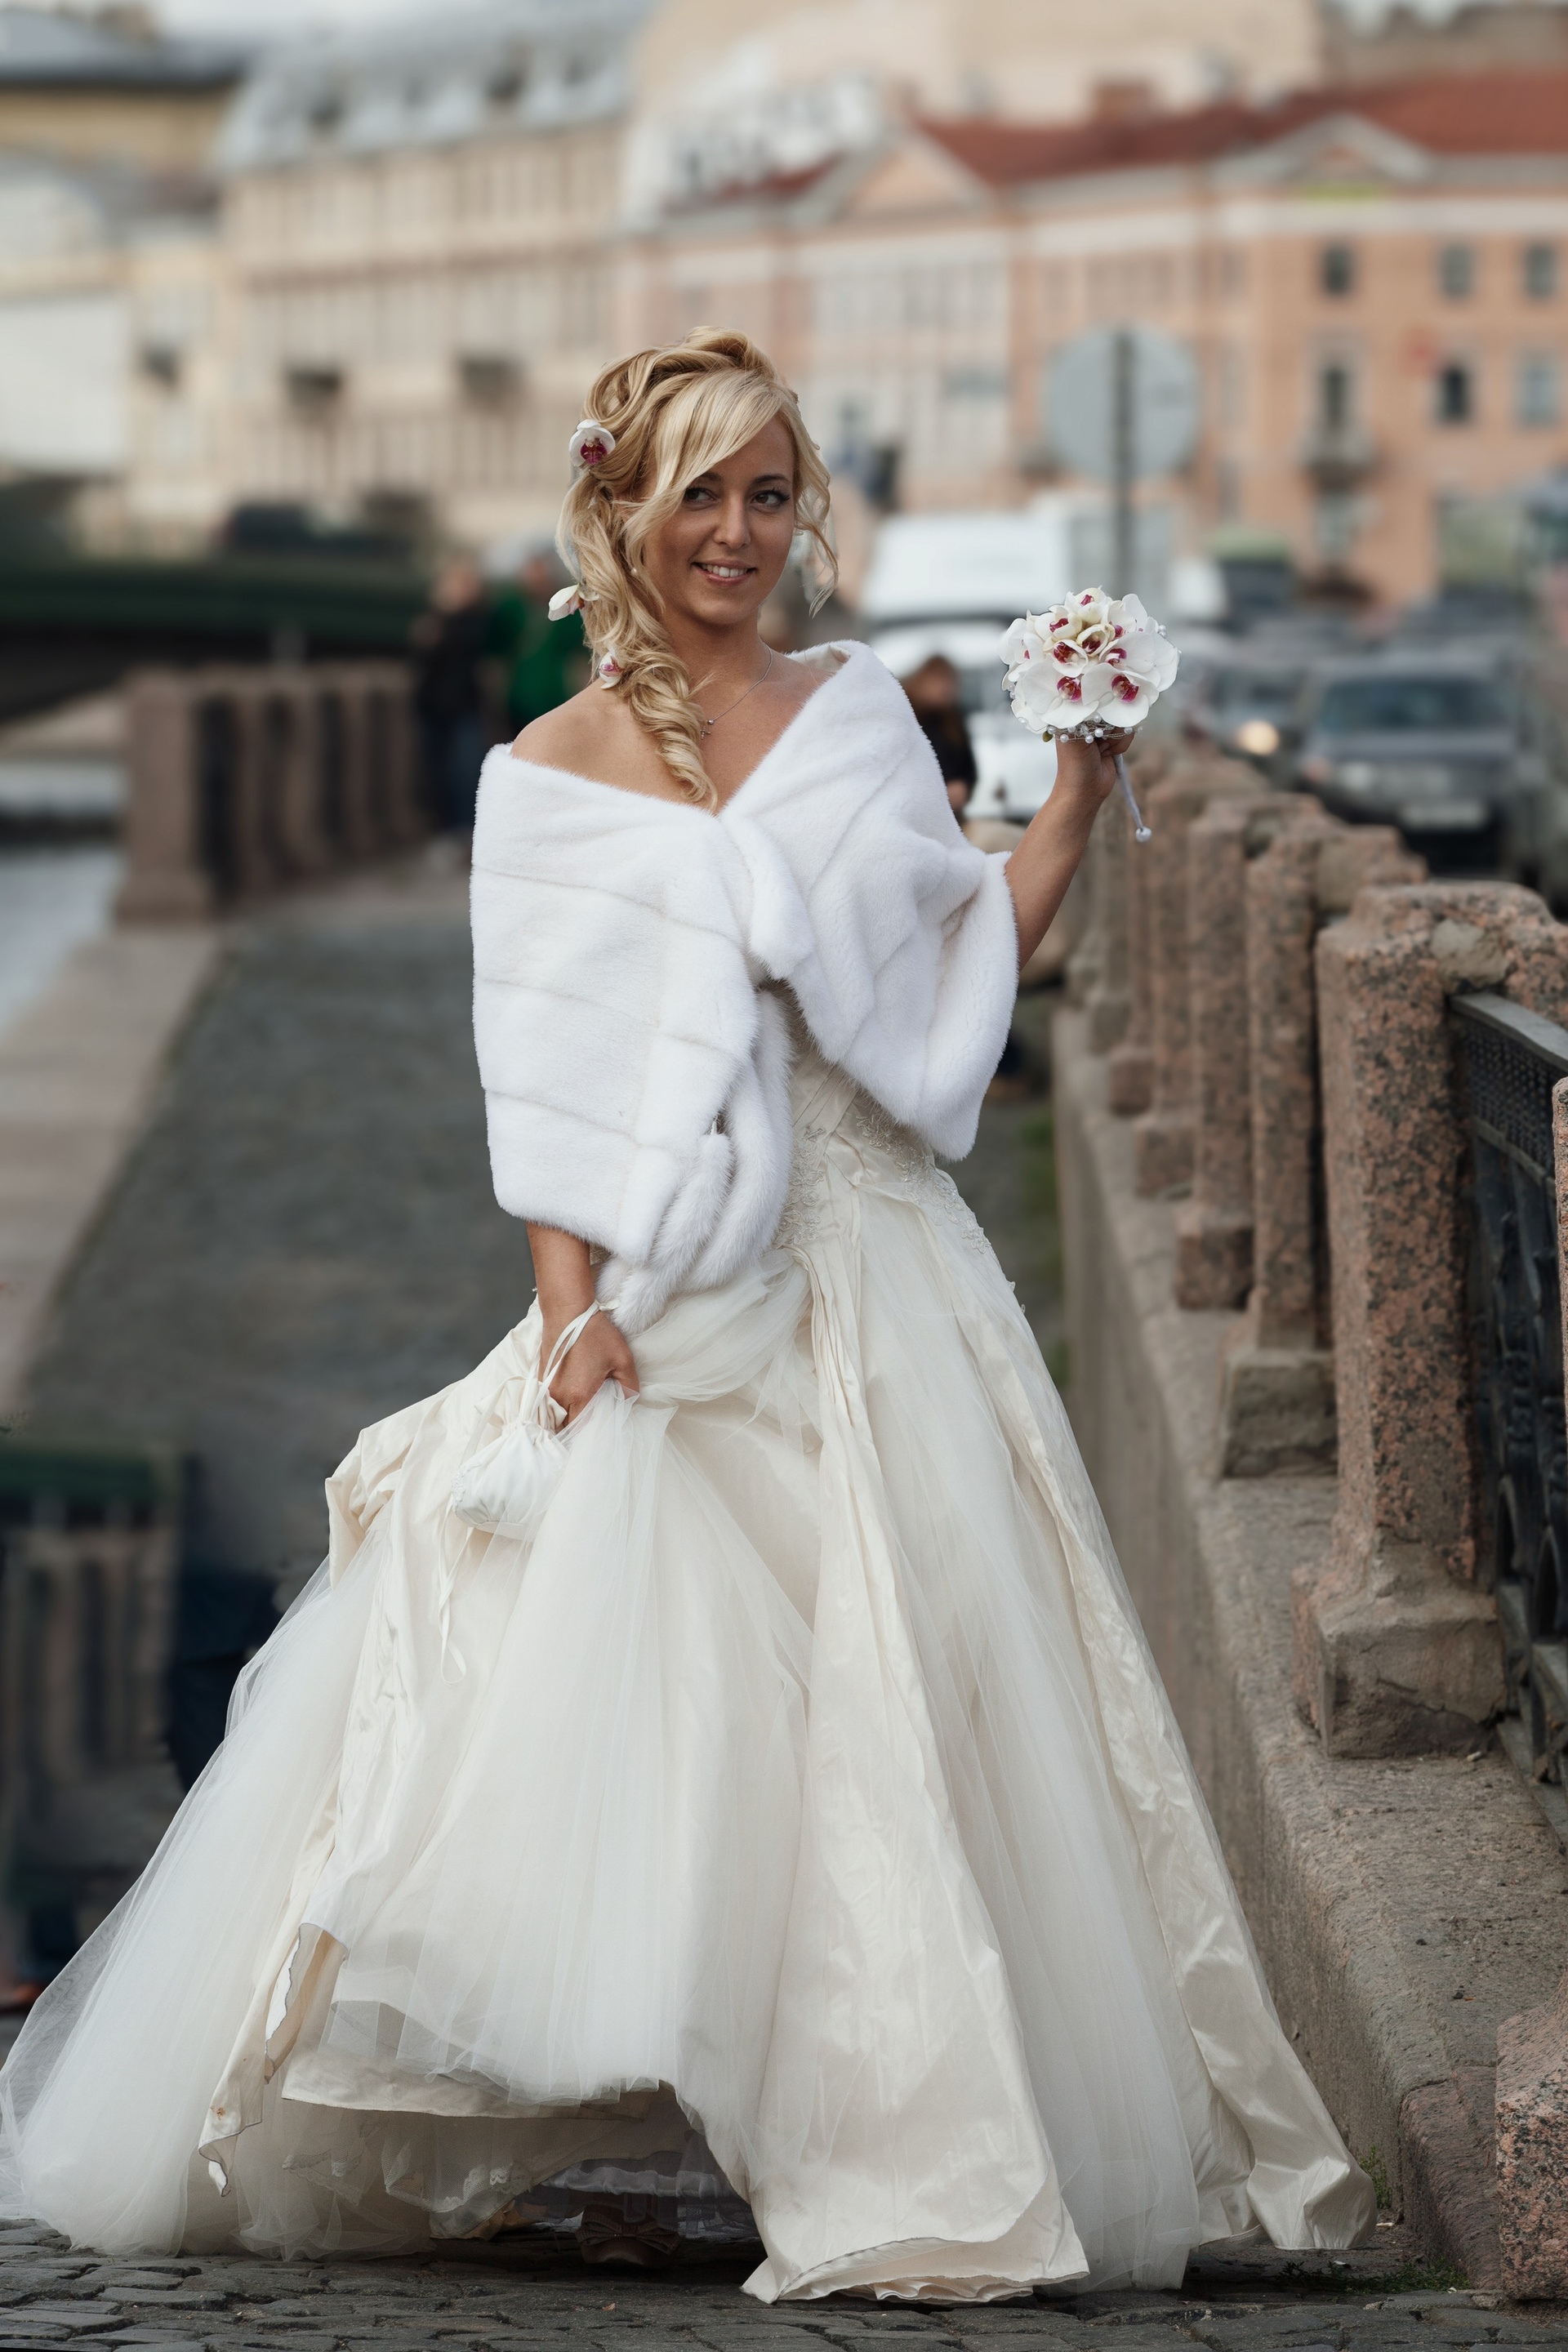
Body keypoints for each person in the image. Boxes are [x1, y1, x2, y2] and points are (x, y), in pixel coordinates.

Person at [0, 332, 1376, 2298]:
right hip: (676, 1285)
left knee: (915, 1701)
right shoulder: (542, 780)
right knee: (686, 1715)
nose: (736, 531)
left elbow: (953, 973)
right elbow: (543, 1093)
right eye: (700, 493)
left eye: (768, 494)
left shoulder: (853, 717)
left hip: (885, 1259)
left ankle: (916, 2140)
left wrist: (1074, 803)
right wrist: (568, 1319)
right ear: (624, 508)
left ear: (802, 516)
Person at [411, 554, 489, 832]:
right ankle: (443, 827)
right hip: (433, 707)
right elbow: (422, 659)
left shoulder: (477, 620)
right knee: (435, 772)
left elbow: (471, 647)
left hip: (465, 707)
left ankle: (464, 829)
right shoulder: (433, 620)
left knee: (466, 772)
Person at [488, 545, 588, 736]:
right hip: (518, 703)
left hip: (556, 700)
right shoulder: (510, 610)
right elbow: (494, 660)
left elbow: (580, 657)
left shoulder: (570, 608)